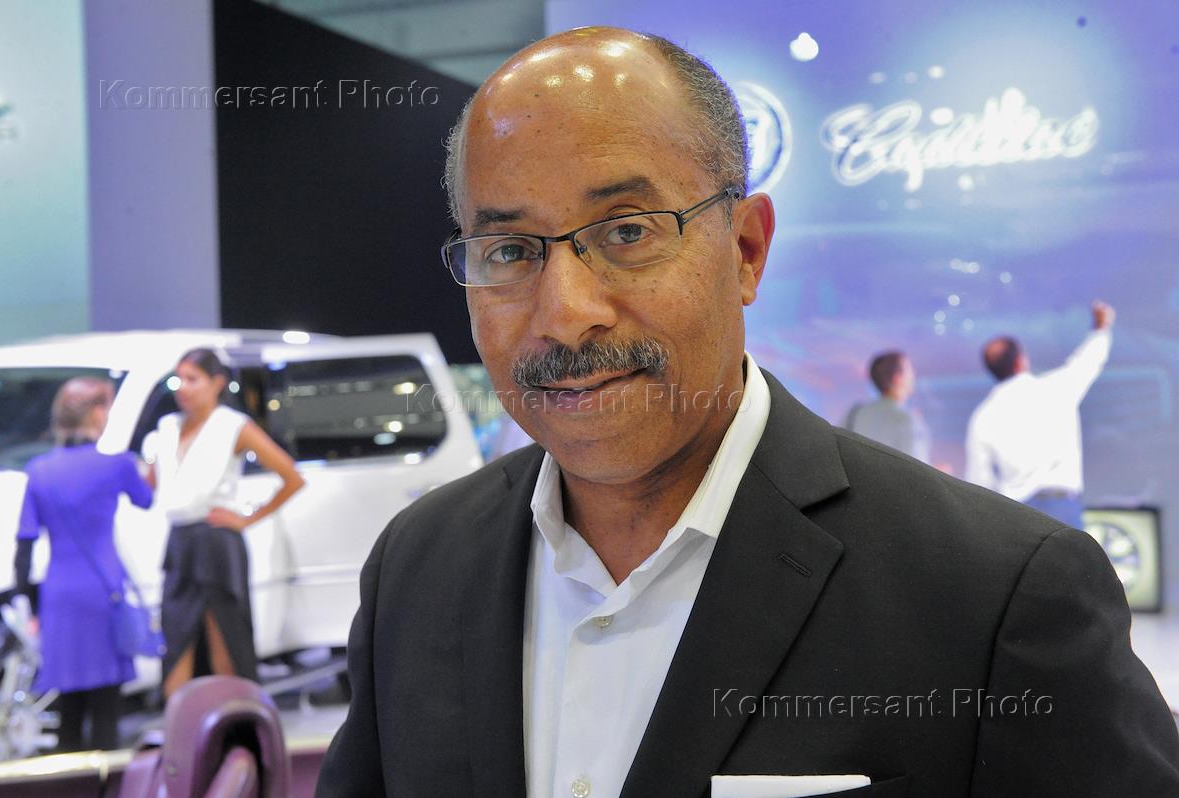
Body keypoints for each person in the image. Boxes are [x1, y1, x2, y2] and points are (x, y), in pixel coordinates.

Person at [317, 28, 1179, 798]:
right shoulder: (417, 569)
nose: (567, 313)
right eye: (510, 250)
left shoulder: (994, 595)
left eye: (627, 232)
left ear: (745, 250)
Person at [148, 348, 304, 699]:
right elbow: (157, 483)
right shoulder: (167, 428)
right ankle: (182, 728)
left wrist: (247, 519)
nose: (183, 387)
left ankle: (236, 723)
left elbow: (292, 477)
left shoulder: (232, 426)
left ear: (217, 383)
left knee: (226, 645)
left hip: (216, 541)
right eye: (179, 379)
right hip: (180, 541)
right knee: (176, 644)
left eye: (192, 379)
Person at [16, 377, 152, 751]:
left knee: (68, 713)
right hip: (102, 591)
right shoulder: (117, 464)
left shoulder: (38, 470)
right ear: (95, 413)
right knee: (107, 711)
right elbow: (145, 499)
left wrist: (30, 606)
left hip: (60, 597)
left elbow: (24, 547)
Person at [965, 302, 1114, 529]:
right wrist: (1100, 328)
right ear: (1021, 361)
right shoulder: (1055, 389)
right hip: (1062, 509)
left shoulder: (983, 417)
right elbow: (1089, 360)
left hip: (1016, 517)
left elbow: (979, 483)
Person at [843, 350, 930, 462]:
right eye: (910, 371)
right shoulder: (908, 420)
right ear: (898, 378)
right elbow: (917, 470)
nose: (914, 375)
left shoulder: (854, 413)